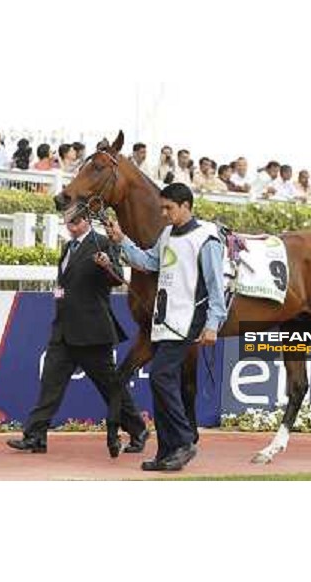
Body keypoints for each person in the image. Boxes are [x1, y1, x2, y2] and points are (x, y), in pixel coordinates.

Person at [7, 202, 149, 458]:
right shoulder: (67, 247)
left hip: (92, 332)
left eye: (74, 222)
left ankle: (138, 428)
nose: (70, 227)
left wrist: (107, 265)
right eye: (67, 222)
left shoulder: (103, 243)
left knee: (109, 386)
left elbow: (117, 277)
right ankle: (35, 436)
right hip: (63, 330)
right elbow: (63, 282)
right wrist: (58, 296)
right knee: (50, 384)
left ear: (85, 221)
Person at [104, 183, 227, 472]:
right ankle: (166, 452)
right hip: (164, 321)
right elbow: (148, 263)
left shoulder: (206, 239)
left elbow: (215, 288)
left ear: (186, 206)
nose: (164, 213)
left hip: (187, 322)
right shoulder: (168, 234)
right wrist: (122, 240)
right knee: (161, 386)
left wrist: (212, 325)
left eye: (169, 208)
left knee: (160, 378)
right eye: (162, 207)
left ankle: (184, 441)